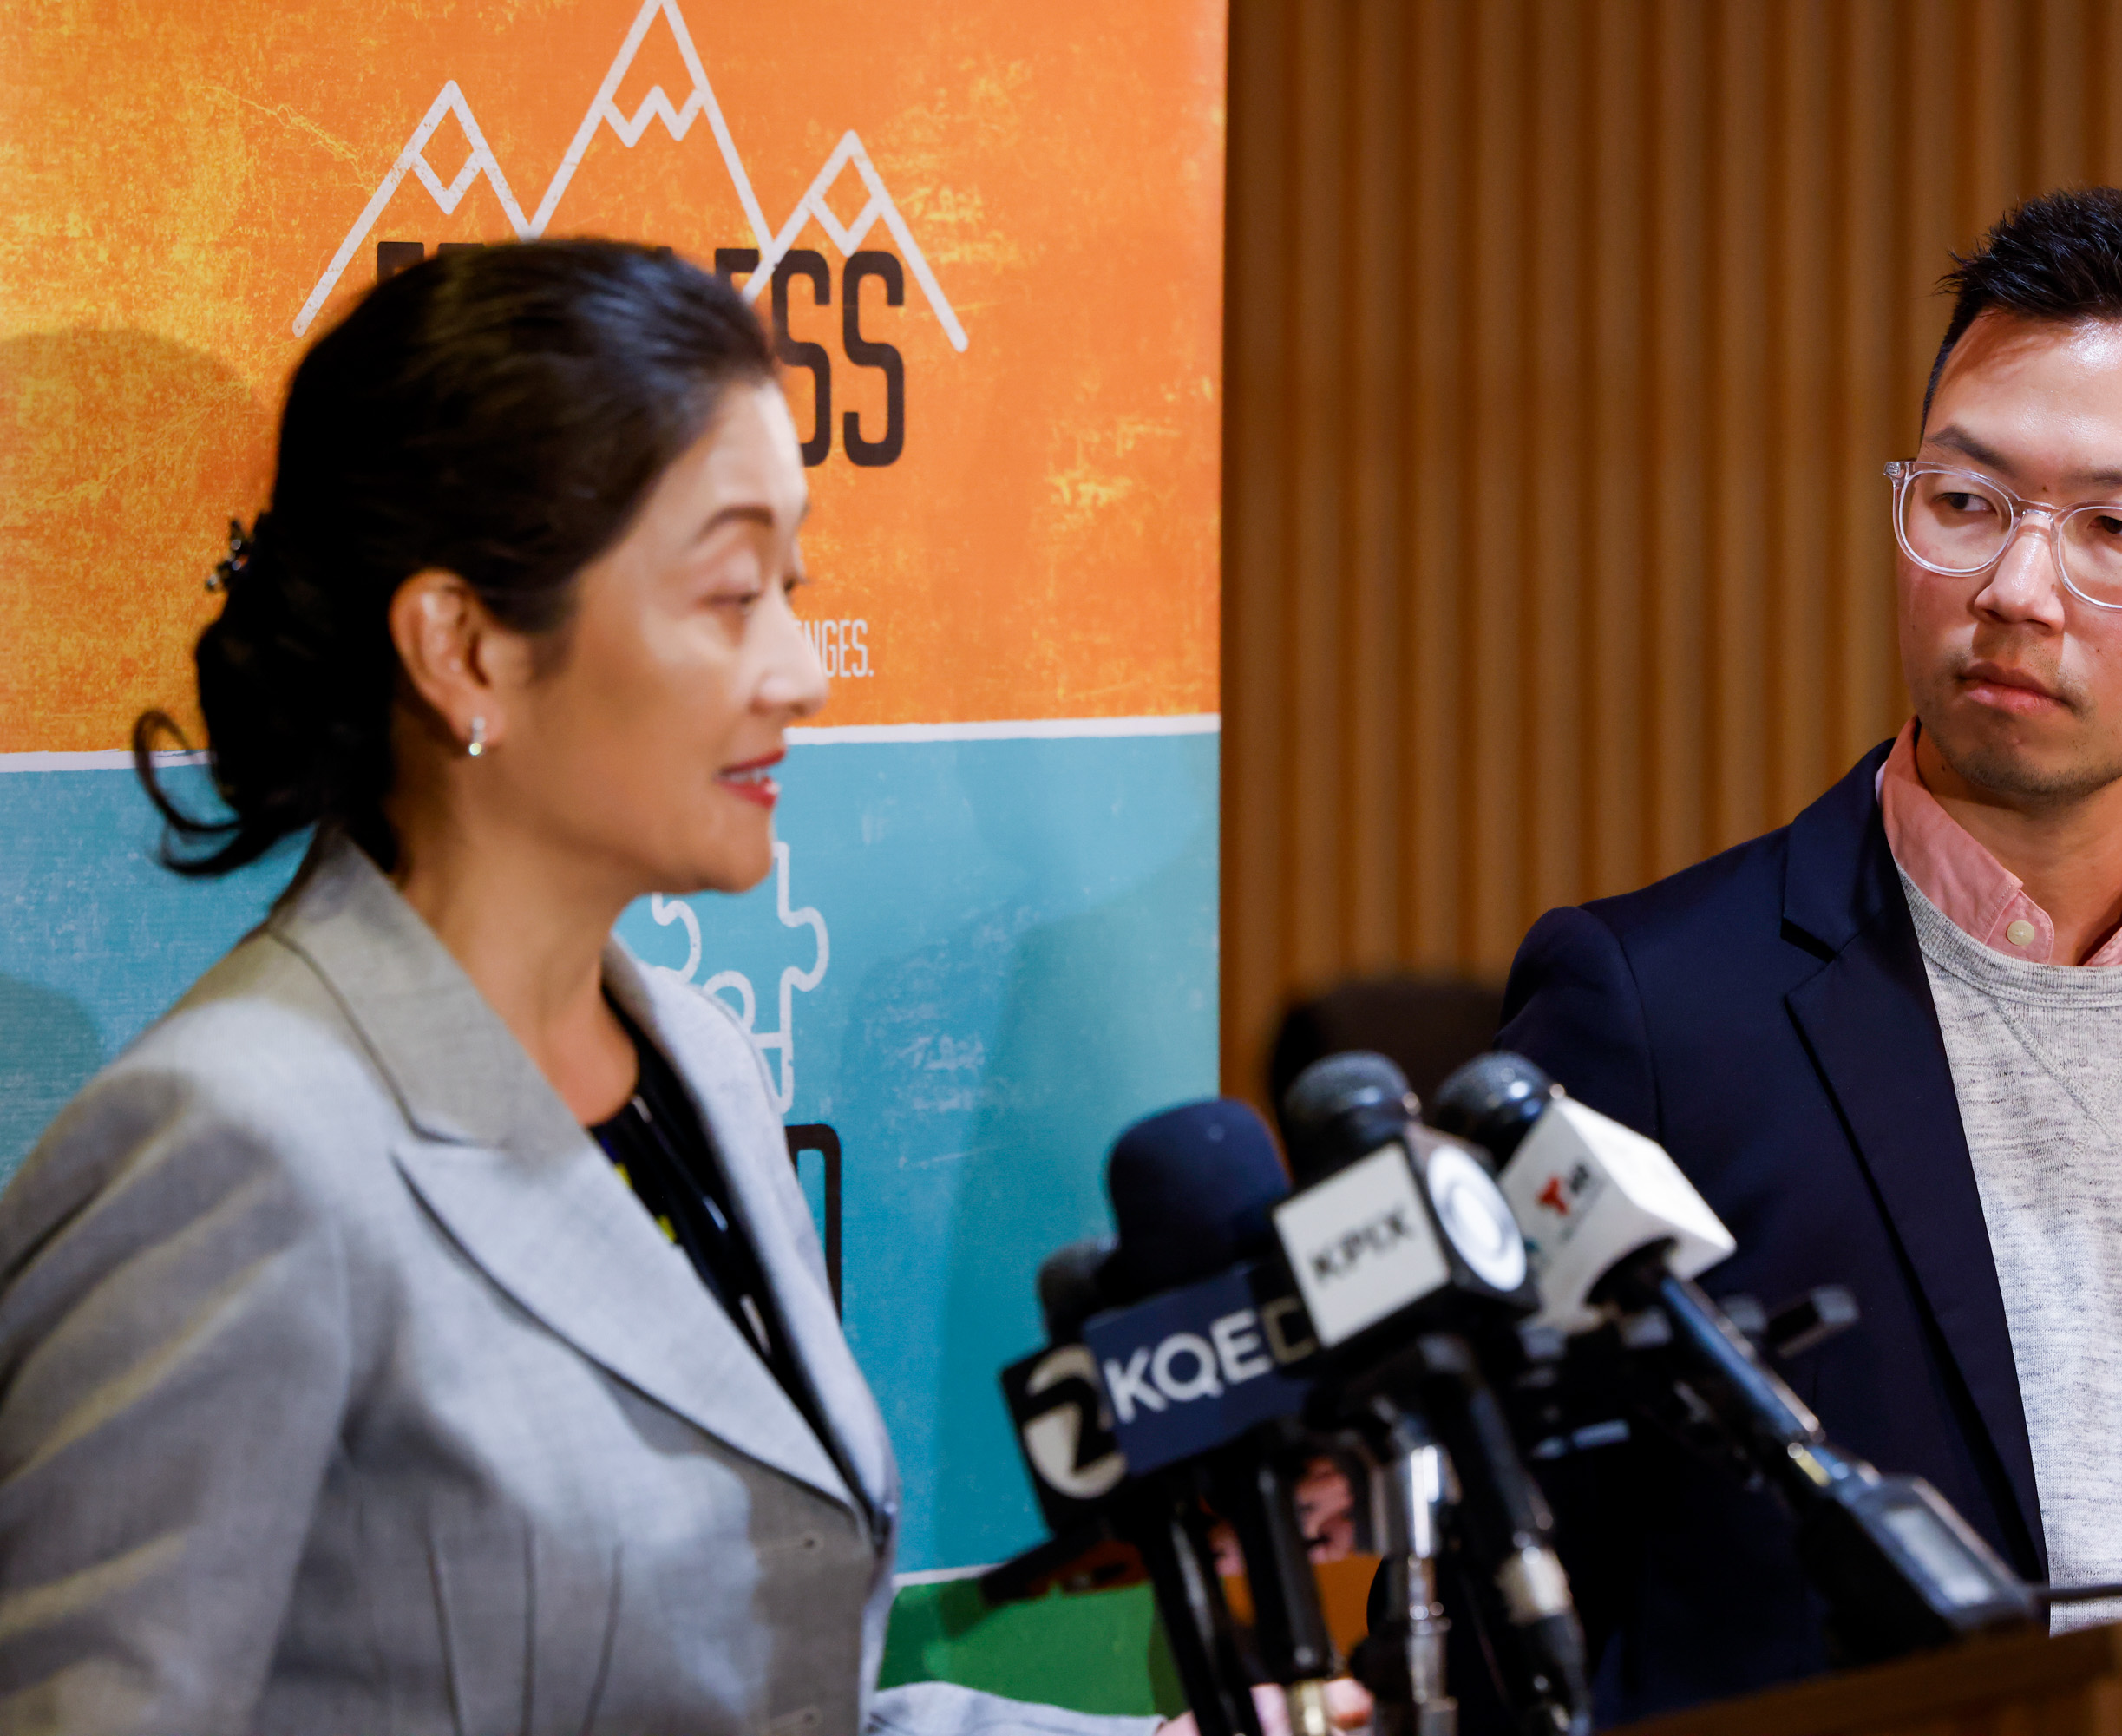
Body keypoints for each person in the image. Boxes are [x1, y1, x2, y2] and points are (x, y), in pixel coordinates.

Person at [0, 243, 1359, 1736]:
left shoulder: (699, 1065)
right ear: (465, 648)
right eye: (728, 594)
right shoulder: (230, 1143)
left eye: (796, 587)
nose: (801, 670)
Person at [1499, 188, 2122, 1718]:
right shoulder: (1653, 1011)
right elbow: (1532, 1596)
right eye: (1964, 499)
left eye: (2118, 530)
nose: (2012, 587)